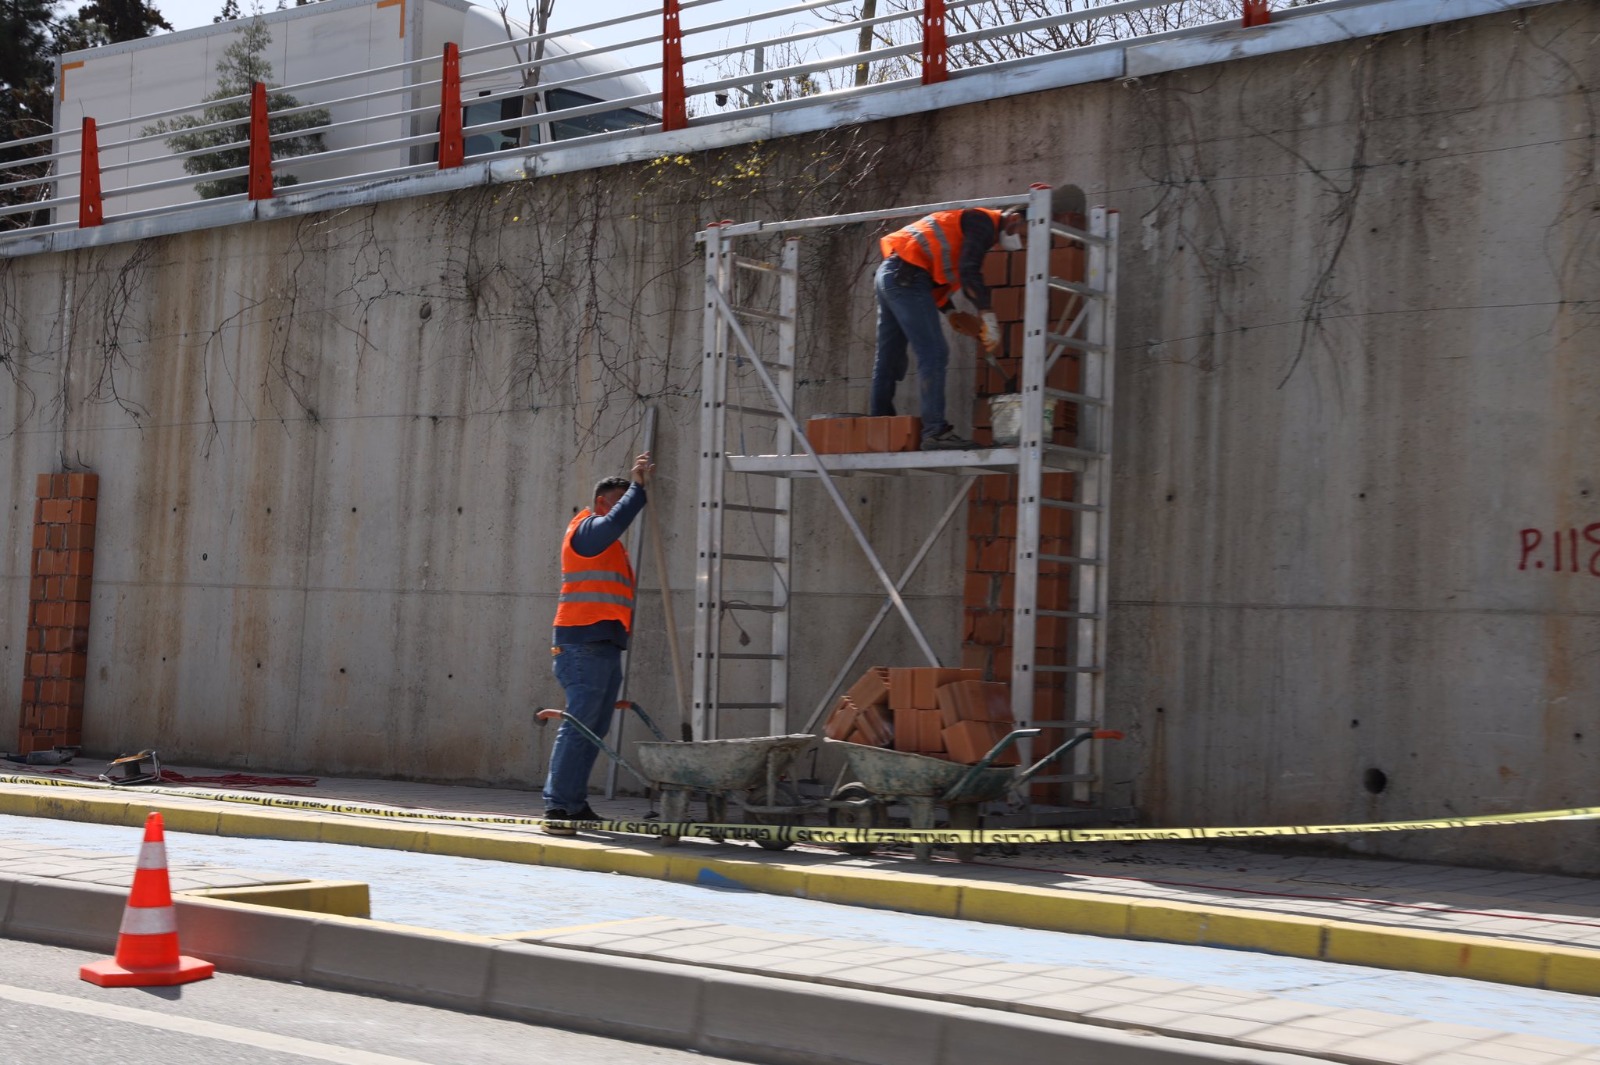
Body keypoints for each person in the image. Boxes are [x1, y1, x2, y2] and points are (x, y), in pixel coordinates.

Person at [542, 451, 653, 835]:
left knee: (592, 727)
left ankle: (572, 803)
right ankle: (558, 805)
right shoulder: (587, 531)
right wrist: (637, 489)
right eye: (618, 499)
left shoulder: (607, 546)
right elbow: (619, 518)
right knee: (581, 724)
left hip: (601, 644)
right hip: (581, 644)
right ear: (602, 502)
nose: (622, 508)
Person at [870, 205, 1027, 450]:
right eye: (1022, 232)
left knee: (889, 358)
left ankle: (877, 426)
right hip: (908, 277)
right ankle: (935, 432)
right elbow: (968, 271)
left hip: (892, 274)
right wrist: (987, 313)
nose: (1020, 239)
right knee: (934, 352)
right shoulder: (983, 222)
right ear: (1014, 219)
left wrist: (951, 312)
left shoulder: (971, 224)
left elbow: (937, 273)